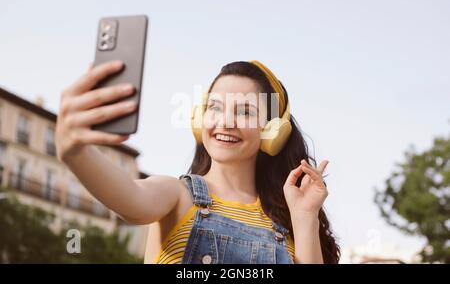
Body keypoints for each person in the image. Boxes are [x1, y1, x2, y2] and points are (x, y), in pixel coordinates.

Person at [56, 60, 340, 264]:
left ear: (272, 131)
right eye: (215, 107)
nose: (225, 122)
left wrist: (305, 218)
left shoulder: (286, 222)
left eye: (245, 112)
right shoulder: (178, 195)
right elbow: (131, 199)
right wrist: (75, 152)